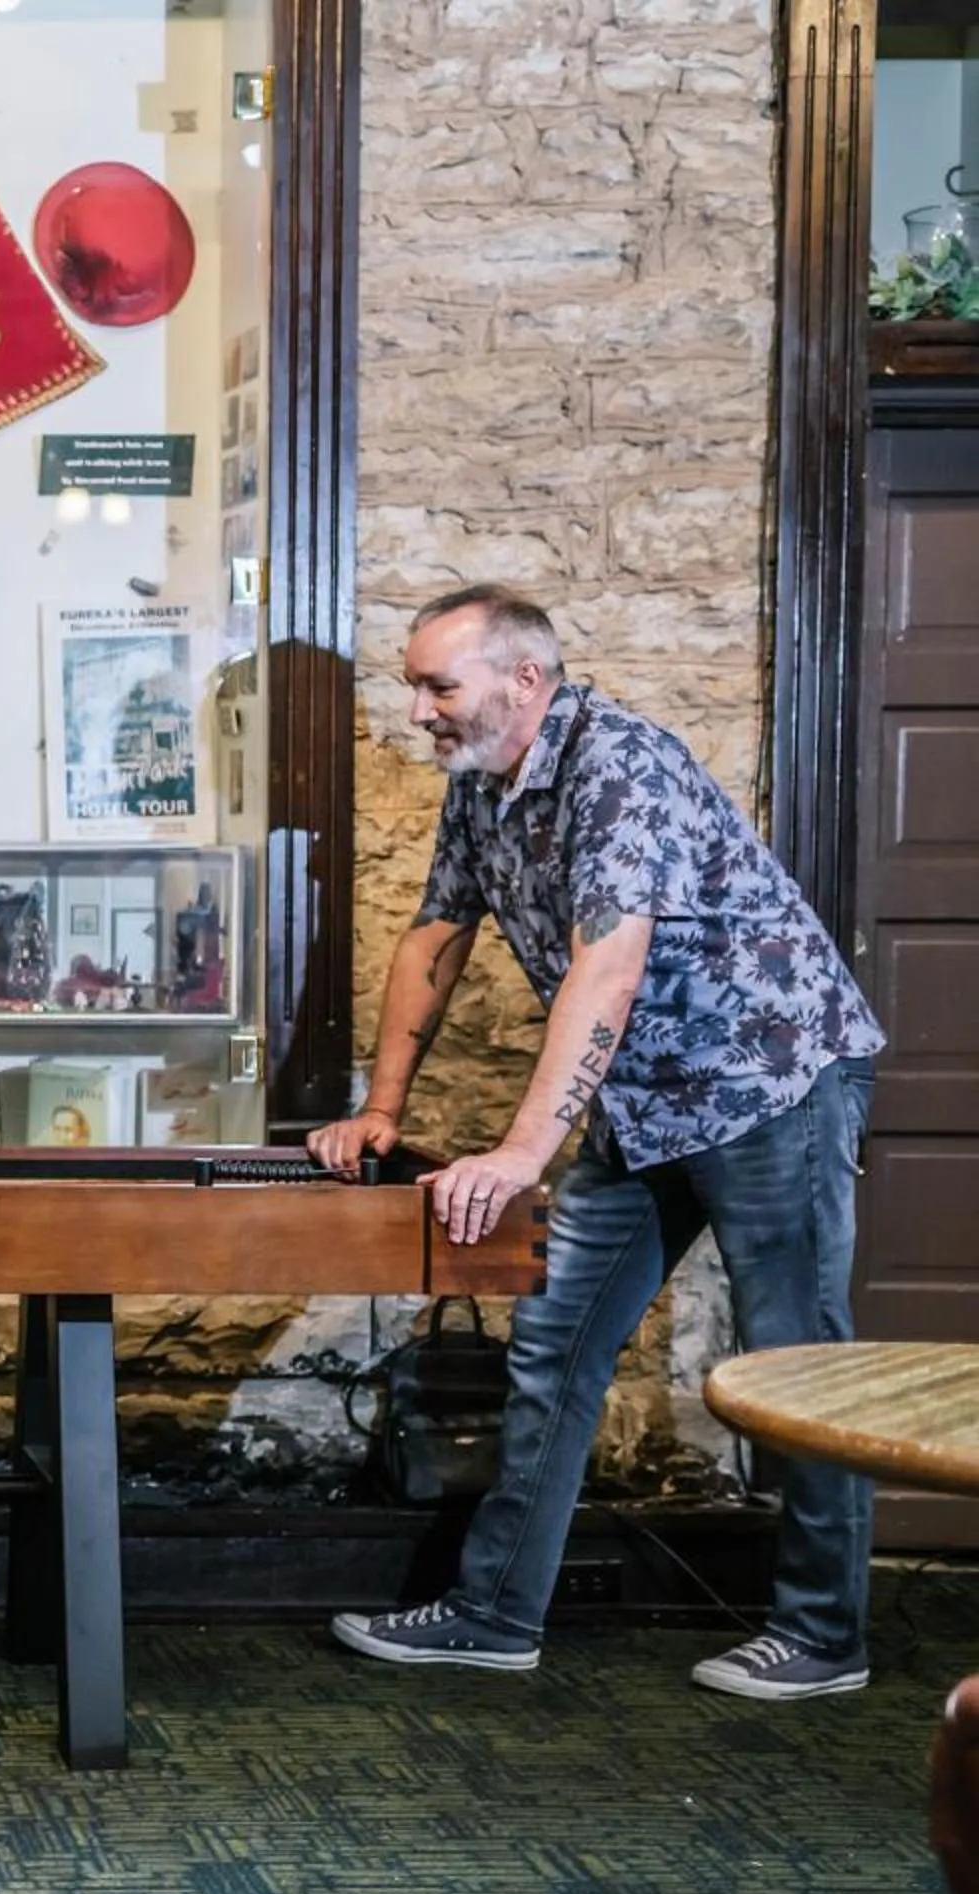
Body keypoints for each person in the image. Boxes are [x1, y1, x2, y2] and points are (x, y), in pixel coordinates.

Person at [316, 585, 883, 1699]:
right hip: (642, 1100)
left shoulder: (619, 765)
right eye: (415, 683)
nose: (419, 708)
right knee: (554, 1342)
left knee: (797, 1359)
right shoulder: (483, 786)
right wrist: (381, 1103)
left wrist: (523, 1153)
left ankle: (825, 1634)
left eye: (439, 683)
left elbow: (607, 965)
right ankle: (492, 1612)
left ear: (524, 679)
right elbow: (435, 934)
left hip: (768, 1079)